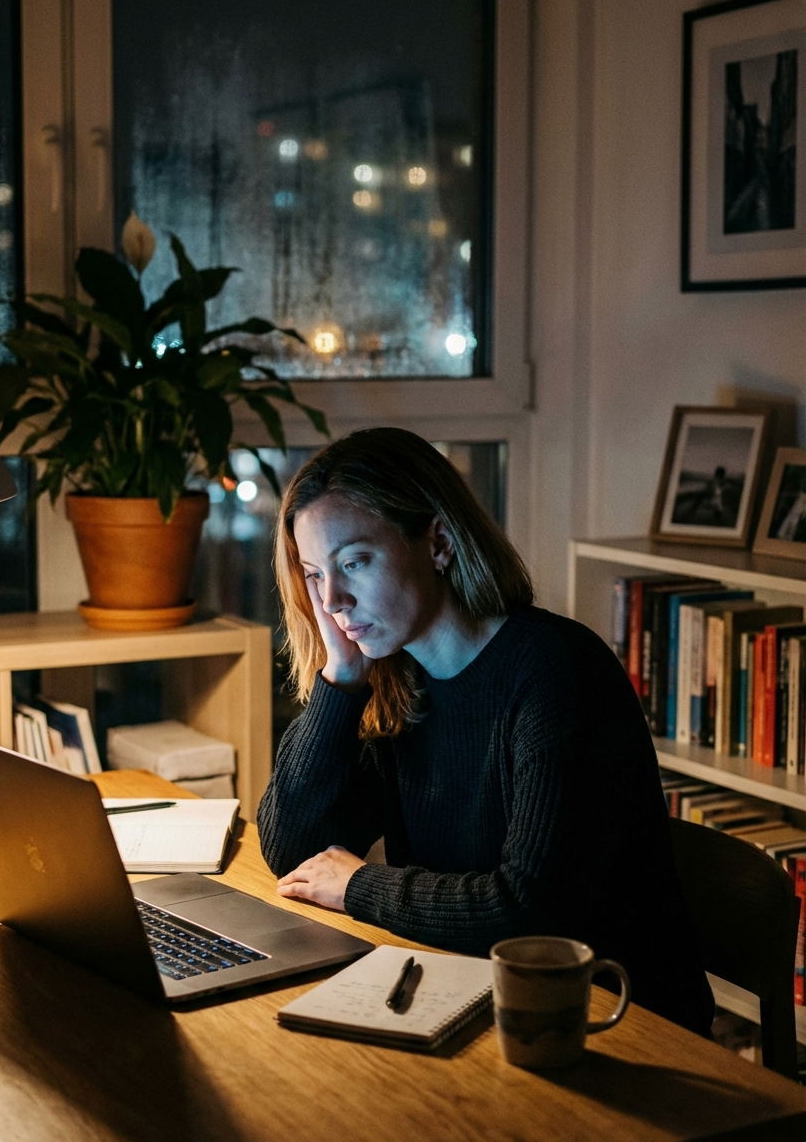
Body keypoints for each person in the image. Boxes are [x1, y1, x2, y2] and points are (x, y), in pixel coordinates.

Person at [257, 427, 714, 1035]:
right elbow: (294, 853)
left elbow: (528, 910)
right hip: (471, 998)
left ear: (438, 543)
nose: (334, 599)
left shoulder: (555, 671)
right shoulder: (399, 680)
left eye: (355, 562)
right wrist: (338, 680)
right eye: (315, 574)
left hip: (613, 1023)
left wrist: (362, 887)